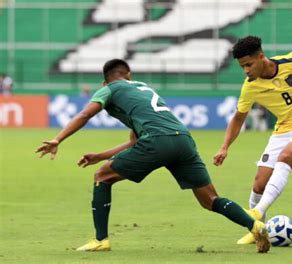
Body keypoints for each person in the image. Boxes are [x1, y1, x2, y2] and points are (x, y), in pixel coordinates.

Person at [36, 59, 270, 253]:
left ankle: (100, 240)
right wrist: (100, 155)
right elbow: (134, 141)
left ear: (105, 81)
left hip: (158, 140)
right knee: (210, 200)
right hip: (183, 139)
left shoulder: (110, 88)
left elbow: (85, 114)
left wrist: (58, 139)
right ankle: (254, 225)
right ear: (129, 75)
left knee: (102, 176)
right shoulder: (143, 89)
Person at [213, 36, 292, 244]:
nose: (246, 70)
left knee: (286, 157)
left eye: (249, 64)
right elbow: (239, 118)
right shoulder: (250, 86)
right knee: (259, 184)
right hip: (283, 129)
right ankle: (257, 232)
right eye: (242, 67)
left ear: (261, 56)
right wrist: (224, 147)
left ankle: (256, 212)